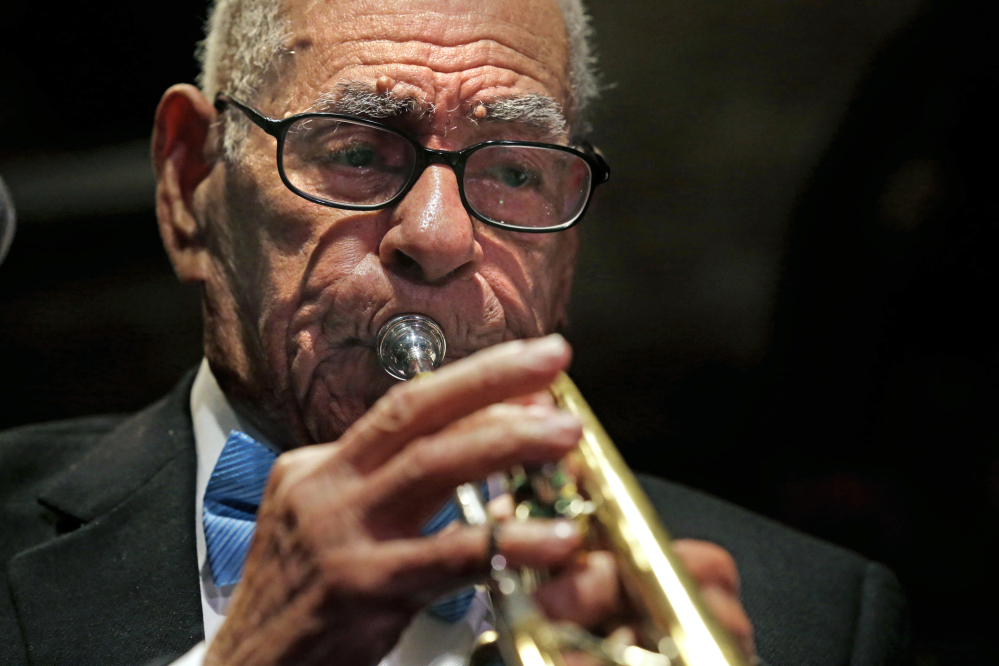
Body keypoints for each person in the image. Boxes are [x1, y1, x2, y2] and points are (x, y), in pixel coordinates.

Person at [0, 1, 909, 665]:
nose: (437, 237)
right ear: (190, 183)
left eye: (513, 170)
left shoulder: (822, 619)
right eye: (355, 151)